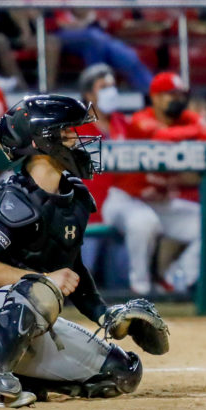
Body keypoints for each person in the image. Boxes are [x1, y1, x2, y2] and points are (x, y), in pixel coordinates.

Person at [0, 95, 164, 407]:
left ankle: (16, 371)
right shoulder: (15, 199)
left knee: (120, 372)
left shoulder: (75, 198)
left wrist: (105, 315)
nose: (79, 139)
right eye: (69, 132)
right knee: (40, 289)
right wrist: (42, 278)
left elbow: (73, 270)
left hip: (22, 310)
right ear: (42, 142)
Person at [101, 73, 206, 294]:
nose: (177, 99)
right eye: (170, 95)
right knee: (144, 222)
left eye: (180, 95)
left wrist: (193, 130)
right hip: (126, 201)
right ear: (155, 97)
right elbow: (162, 138)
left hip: (162, 203)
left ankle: (175, 279)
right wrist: (199, 131)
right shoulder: (141, 119)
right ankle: (140, 288)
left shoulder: (186, 119)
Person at [14, 0, 152, 92]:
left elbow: (79, 13)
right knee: (94, 38)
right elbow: (46, 21)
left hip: (79, 33)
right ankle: (96, 89)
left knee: (121, 51)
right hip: (52, 34)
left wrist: (85, 16)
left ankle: (150, 90)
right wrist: (78, 24)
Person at [75, 64, 130, 289]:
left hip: (120, 215)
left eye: (113, 86)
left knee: (120, 285)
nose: (111, 91)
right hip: (88, 217)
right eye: (104, 87)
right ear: (89, 94)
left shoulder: (123, 123)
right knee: (82, 285)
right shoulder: (75, 126)